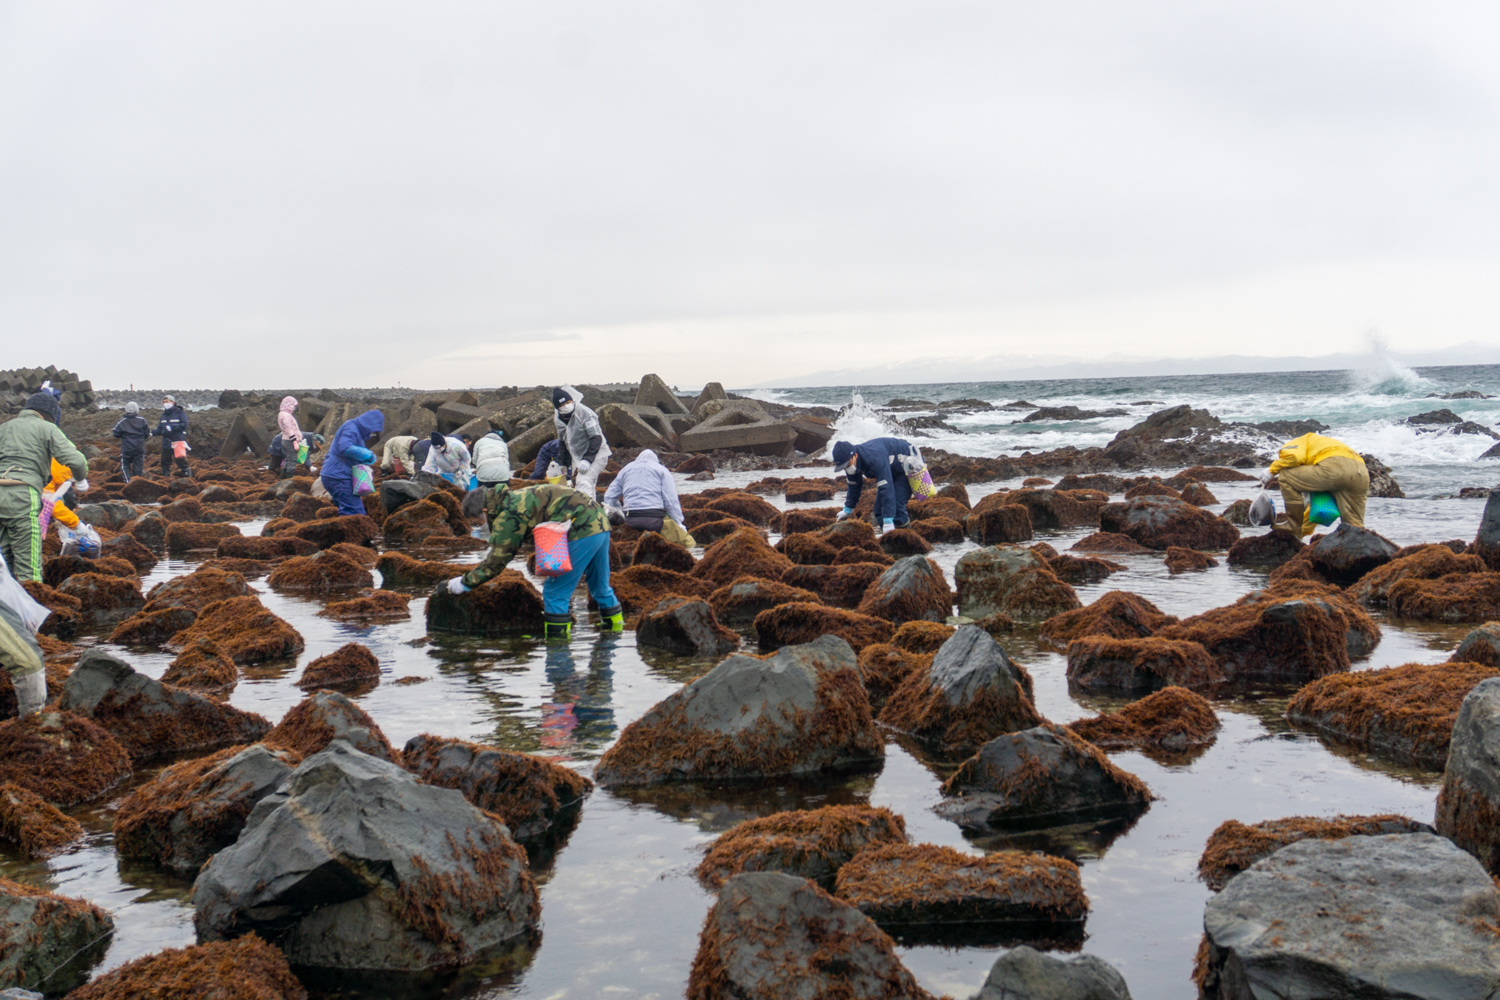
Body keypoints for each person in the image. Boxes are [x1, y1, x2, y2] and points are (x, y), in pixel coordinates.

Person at [448, 482, 621, 640]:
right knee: (600, 587)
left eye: (477, 522)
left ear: (484, 511)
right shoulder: (513, 498)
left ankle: (558, 653)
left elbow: (497, 560)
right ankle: (614, 636)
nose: (479, 526)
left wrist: (465, 582)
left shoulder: (507, 515)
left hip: (582, 530)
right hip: (600, 523)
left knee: (555, 593)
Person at [0, 392, 88, 581]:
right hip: (23, 493)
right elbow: (76, 461)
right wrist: (80, 480)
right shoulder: (47, 428)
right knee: (28, 566)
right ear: (50, 414)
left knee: (3, 562)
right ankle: (30, 605)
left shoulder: (4, 428)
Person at [1263, 432, 1369, 537]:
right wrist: (1299, 535)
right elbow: (1316, 510)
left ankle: (1292, 525)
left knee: (1286, 476)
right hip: (1361, 472)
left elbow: (1294, 457)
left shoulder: (1299, 441)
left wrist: (1271, 470)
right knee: (1355, 526)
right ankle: (1362, 549)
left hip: (1334, 466)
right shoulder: (1322, 446)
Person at [832, 437, 925, 534]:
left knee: (897, 508)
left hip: (908, 465)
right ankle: (890, 538)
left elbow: (886, 488)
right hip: (891, 468)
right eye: (843, 467)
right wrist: (848, 509)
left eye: (847, 464)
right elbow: (854, 486)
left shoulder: (873, 459)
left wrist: (888, 520)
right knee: (879, 510)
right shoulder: (852, 464)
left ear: (855, 455)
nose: (847, 468)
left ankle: (907, 540)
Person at [604, 449, 695, 546]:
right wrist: (679, 523)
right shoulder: (661, 469)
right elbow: (670, 500)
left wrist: (619, 516)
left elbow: (609, 496)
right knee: (689, 543)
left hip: (630, 520)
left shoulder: (625, 470)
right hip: (654, 520)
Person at [320, 410, 384, 517]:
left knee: (347, 509)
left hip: (335, 474)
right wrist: (367, 455)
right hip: (338, 475)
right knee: (355, 513)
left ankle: (341, 532)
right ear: (369, 424)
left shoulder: (356, 430)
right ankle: (353, 532)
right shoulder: (351, 427)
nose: (372, 434)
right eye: (373, 430)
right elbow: (345, 448)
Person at [552, 386, 610, 497]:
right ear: (558, 408)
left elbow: (596, 438)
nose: (566, 406)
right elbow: (563, 442)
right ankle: (593, 511)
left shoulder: (585, 413)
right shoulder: (558, 419)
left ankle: (583, 510)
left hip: (597, 454)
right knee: (588, 485)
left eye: (568, 402)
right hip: (578, 457)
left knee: (583, 481)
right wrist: (563, 464)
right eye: (562, 405)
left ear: (572, 401)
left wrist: (588, 460)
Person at [111, 402, 150, 482]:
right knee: (138, 467)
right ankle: (136, 482)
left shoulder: (122, 421)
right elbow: (147, 433)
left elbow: (115, 433)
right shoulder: (142, 420)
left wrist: (123, 435)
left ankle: (128, 482)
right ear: (137, 410)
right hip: (139, 448)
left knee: (125, 465)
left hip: (127, 448)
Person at [155, 394, 191, 477]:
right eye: (164, 402)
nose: (165, 403)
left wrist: (172, 428)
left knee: (180, 461)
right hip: (166, 442)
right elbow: (160, 428)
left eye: (167, 402)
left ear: (173, 402)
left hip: (177, 441)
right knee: (164, 462)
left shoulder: (180, 412)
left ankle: (188, 478)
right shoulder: (164, 415)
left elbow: (184, 425)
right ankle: (166, 478)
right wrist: (152, 432)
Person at [275, 397, 304, 480]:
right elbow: (289, 429)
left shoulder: (283, 414)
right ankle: (288, 481)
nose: (294, 408)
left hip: (286, 440)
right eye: (293, 405)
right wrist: (295, 442)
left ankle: (282, 480)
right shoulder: (286, 415)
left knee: (288, 460)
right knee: (292, 461)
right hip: (289, 441)